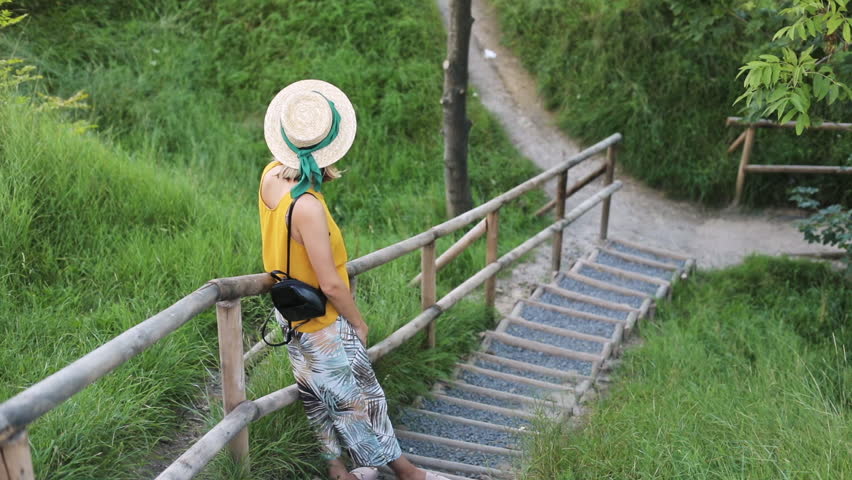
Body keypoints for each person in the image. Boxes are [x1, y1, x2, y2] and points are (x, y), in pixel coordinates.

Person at [259, 80, 449, 480]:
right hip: (322, 320)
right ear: (330, 147)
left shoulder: (271, 176)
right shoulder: (307, 206)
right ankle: (405, 472)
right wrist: (358, 322)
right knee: (362, 399)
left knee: (316, 397)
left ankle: (337, 470)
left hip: (290, 314)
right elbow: (330, 284)